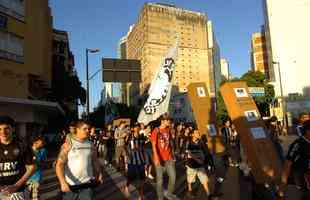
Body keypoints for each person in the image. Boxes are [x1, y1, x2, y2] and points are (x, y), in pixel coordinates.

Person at [55, 120, 103, 200]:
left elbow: (95, 161)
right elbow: (59, 165)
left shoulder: (91, 144)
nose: (88, 131)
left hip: (87, 185)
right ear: (77, 129)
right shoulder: (68, 144)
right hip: (71, 186)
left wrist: (99, 173)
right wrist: (62, 182)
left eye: (88, 129)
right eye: (85, 129)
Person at [0, 116, 36, 200]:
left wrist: (16, 185)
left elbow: (32, 167)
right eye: (0, 129)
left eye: (6, 128)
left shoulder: (22, 146)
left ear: (13, 129)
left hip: (18, 191)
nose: (3, 132)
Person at [279, 120, 310, 200]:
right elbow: (287, 165)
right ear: (307, 131)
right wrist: (282, 188)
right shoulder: (298, 144)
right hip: (300, 184)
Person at [151, 114, 178, 200]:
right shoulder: (156, 131)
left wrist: (173, 155)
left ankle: (169, 193)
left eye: (169, 120)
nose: (169, 121)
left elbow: (170, 143)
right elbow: (153, 145)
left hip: (169, 158)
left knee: (173, 177)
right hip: (160, 159)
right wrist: (156, 157)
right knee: (160, 181)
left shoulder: (169, 130)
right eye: (167, 120)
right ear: (162, 121)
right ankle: (160, 198)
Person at [184, 129, 212, 199]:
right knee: (190, 180)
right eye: (196, 133)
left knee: (204, 181)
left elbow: (205, 153)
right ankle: (189, 191)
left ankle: (209, 195)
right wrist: (197, 159)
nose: (198, 134)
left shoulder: (201, 143)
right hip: (191, 165)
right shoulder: (188, 142)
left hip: (200, 165)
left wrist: (208, 163)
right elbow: (189, 153)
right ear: (192, 134)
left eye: (198, 133)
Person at [124, 124, 146, 200]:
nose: (137, 129)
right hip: (132, 160)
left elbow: (143, 148)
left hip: (141, 160)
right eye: (136, 128)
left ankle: (141, 194)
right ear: (133, 128)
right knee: (131, 177)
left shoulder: (142, 137)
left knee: (142, 178)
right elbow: (127, 147)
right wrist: (127, 158)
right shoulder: (129, 137)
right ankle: (126, 187)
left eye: (138, 128)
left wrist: (145, 160)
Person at [27, 136, 47, 200]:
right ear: (34, 143)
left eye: (42, 143)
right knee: (26, 195)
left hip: (37, 176)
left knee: (36, 196)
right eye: (40, 143)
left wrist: (37, 163)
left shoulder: (43, 151)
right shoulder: (27, 151)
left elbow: (44, 163)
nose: (42, 145)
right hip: (27, 177)